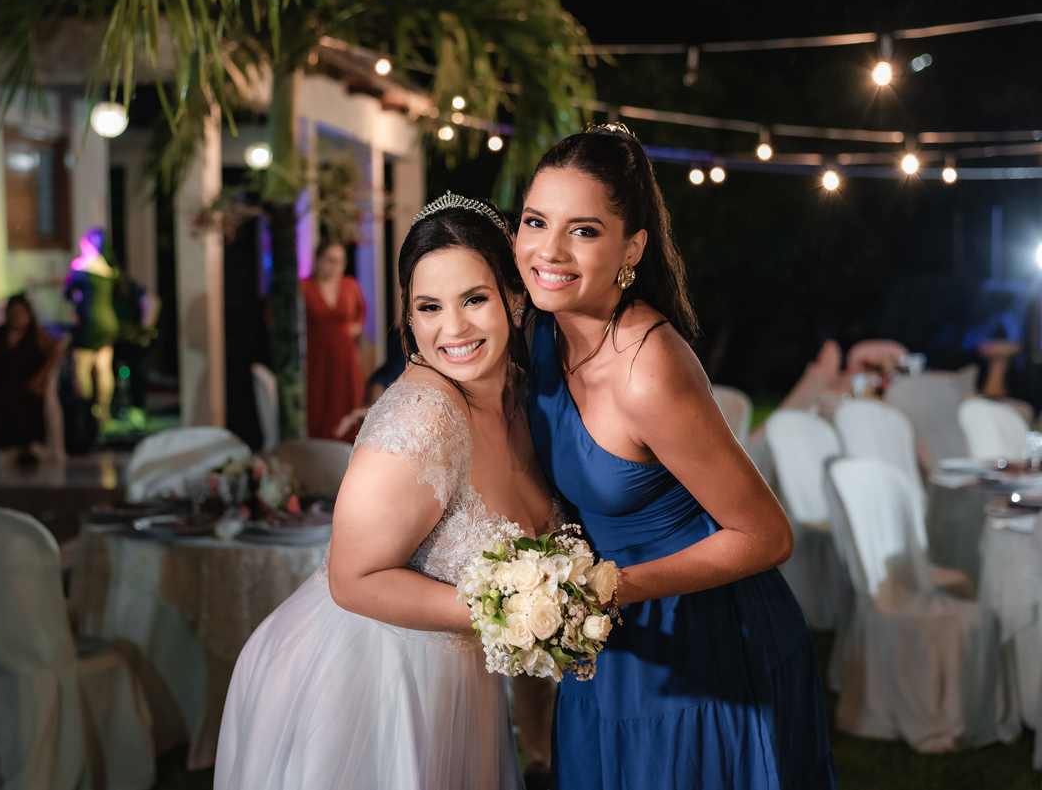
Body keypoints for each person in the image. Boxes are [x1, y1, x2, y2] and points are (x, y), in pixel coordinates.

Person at [518, 125, 836, 789]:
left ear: (631, 248)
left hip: (704, 643)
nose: (549, 250)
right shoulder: (542, 333)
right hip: (607, 638)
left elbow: (767, 535)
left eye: (583, 230)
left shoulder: (648, 369)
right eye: (535, 221)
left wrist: (609, 588)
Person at [214, 195, 556, 790]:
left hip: (458, 685)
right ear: (409, 318)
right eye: (430, 307)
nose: (453, 328)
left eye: (474, 299)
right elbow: (351, 579)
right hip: (364, 684)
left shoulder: (523, 399)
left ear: (515, 296)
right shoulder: (423, 415)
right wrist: (515, 613)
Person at [0, 294, 61, 465]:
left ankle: (26, 447)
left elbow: (54, 352)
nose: (16, 317)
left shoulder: (35, 335)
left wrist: (40, 377)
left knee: (25, 400)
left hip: (26, 383)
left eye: (20, 313)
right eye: (12, 313)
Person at [302, 241, 366, 441]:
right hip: (317, 356)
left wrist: (355, 327)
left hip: (345, 356)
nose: (335, 266)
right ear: (318, 260)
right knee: (319, 402)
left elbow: (361, 313)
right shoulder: (304, 287)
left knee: (348, 400)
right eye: (330, 260)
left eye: (340, 261)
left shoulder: (350, 284)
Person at [65, 228, 119, 421]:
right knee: (104, 368)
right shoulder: (107, 268)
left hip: (90, 322)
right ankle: (103, 415)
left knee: (82, 368)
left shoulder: (80, 266)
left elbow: (68, 292)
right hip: (109, 322)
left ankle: (86, 416)